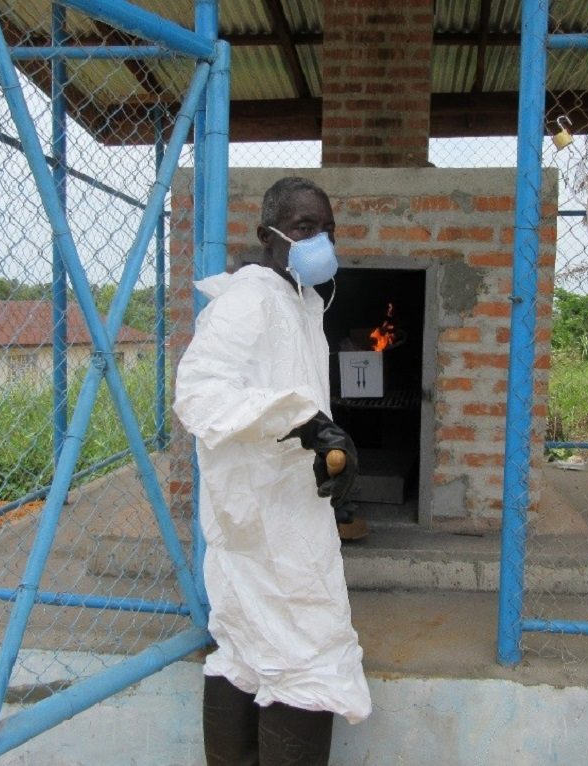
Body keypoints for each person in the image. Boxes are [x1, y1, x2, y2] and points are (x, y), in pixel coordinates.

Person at [173, 176, 371, 764]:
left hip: (275, 508)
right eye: (307, 227)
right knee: (309, 644)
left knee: (246, 643)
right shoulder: (249, 299)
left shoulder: (301, 303)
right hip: (265, 516)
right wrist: (306, 426)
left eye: (328, 229)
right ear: (268, 234)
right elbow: (199, 395)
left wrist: (323, 447)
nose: (321, 241)